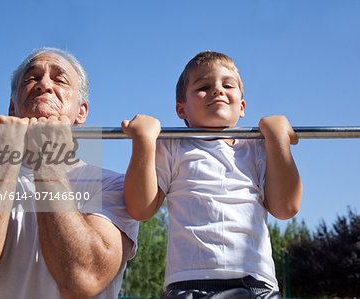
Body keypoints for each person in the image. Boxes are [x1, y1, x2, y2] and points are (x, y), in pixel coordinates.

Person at [0, 47, 138, 299]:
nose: (44, 85)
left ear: (81, 112)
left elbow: (82, 280)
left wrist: (46, 158)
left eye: (60, 80)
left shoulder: (111, 184)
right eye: (31, 79)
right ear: (12, 107)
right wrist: (4, 158)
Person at [121, 51, 302, 298]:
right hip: (189, 284)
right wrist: (143, 141)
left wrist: (278, 139)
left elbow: (286, 207)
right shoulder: (173, 145)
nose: (218, 90)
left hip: (257, 284)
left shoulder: (258, 147)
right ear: (181, 109)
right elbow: (140, 209)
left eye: (228, 85)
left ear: (242, 107)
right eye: (204, 86)